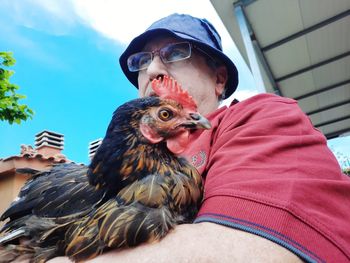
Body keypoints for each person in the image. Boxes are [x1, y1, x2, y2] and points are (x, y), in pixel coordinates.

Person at [51, 13, 350, 262]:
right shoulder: (114, 168)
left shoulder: (261, 117)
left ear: (219, 79)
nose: (152, 69)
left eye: (175, 52)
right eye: (141, 61)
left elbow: (252, 250)